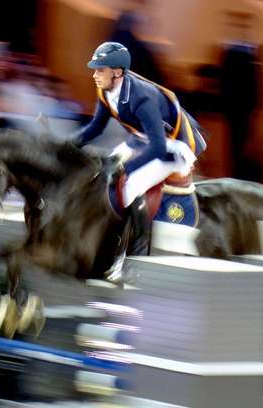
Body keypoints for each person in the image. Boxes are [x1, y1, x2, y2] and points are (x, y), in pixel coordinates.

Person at [72, 41, 207, 255]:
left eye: (100, 70)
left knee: (130, 185)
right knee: (102, 170)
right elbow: (95, 128)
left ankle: (135, 248)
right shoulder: (105, 91)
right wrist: (67, 144)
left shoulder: (142, 98)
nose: (95, 75)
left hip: (176, 146)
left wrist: (125, 169)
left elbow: (158, 147)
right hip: (144, 138)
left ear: (117, 72)